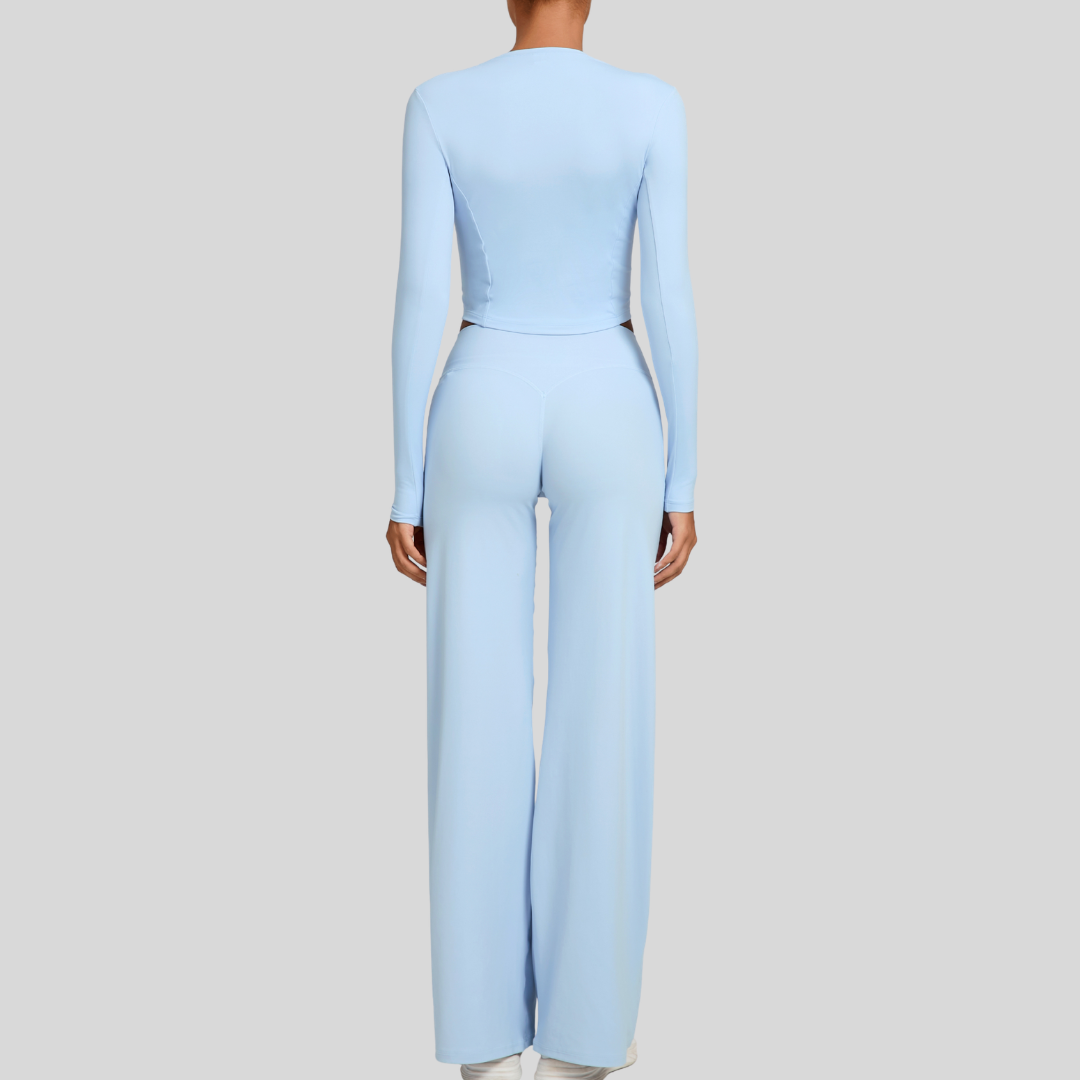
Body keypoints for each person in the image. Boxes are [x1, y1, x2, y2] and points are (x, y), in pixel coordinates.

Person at [385, 1, 698, 1076]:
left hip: (481, 388)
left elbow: (419, 294)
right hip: (609, 392)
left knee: (471, 719)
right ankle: (584, 1039)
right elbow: (669, 296)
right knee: (604, 716)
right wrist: (688, 472)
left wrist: (405, 479)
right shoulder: (650, 106)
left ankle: (483, 1045)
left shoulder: (439, 104)